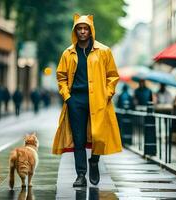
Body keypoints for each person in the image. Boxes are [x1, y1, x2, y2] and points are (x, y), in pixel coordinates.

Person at [52, 14, 122, 187]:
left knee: (98, 135)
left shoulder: (104, 51)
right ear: (75, 31)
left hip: (98, 99)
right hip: (75, 100)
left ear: (91, 31)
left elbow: (112, 76)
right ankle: (81, 175)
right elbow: (61, 77)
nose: (82, 31)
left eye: (86, 28)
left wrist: (107, 94)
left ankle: (94, 162)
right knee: (79, 139)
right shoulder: (68, 53)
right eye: (79, 28)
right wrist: (67, 96)